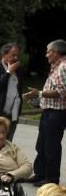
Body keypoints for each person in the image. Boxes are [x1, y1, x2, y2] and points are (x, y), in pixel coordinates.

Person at [23, 39, 66, 185]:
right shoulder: (57, 66)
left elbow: (62, 92)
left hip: (57, 113)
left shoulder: (64, 67)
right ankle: (40, 174)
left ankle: (51, 179)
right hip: (49, 111)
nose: (46, 55)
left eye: (49, 51)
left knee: (51, 146)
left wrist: (39, 93)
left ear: (57, 52)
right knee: (41, 144)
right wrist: (37, 100)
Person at [0, 42, 25, 140]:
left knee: (7, 144)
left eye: (17, 55)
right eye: (13, 55)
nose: (15, 58)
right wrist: (8, 72)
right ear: (4, 54)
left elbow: (17, 90)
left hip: (13, 114)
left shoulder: (19, 70)